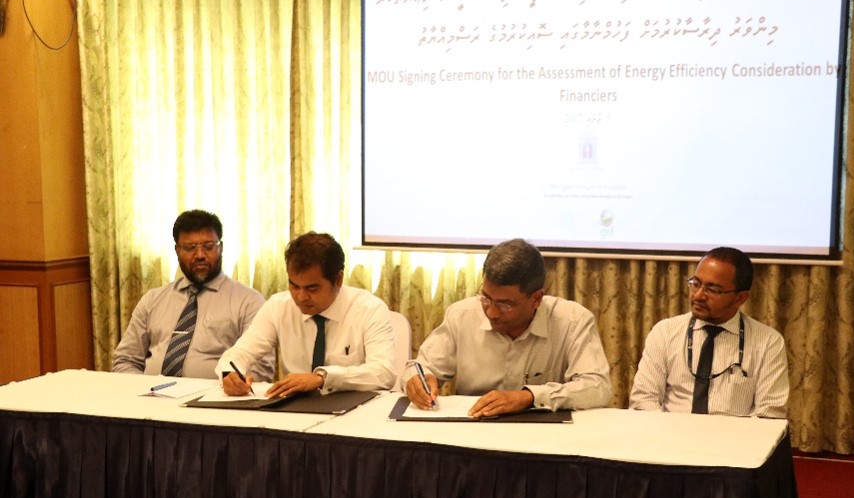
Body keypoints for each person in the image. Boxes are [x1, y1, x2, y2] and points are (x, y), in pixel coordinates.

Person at [404, 238, 612, 417]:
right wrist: (417, 380)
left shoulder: (572, 321)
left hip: (543, 436)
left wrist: (530, 397)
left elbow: (597, 387)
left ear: (537, 299)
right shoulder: (461, 315)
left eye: (505, 305)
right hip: (473, 430)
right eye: (486, 298)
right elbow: (420, 368)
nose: (492, 312)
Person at [217, 231, 396, 397]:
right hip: (294, 409)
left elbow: (383, 373)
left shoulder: (369, 309)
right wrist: (230, 373)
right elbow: (240, 353)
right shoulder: (278, 306)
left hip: (355, 409)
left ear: (338, 280)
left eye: (312, 288)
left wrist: (323, 378)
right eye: (294, 286)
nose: (301, 297)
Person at [112, 209, 274, 380]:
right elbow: (125, 360)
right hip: (150, 393)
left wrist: (235, 386)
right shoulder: (152, 300)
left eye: (208, 246)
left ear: (221, 248)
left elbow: (260, 369)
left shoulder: (249, 302)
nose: (200, 255)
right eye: (190, 248)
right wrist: (141, 388)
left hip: (216, 396)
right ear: (177, 251)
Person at [629, 247, 788, 418]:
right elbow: (643, 399)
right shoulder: (665, 332)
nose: (698, 296)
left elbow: (769, 413)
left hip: (734, 434)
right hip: (670, 432)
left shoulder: (768, 342)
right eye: (696, 284)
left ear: (740, 298)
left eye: (712, 290)